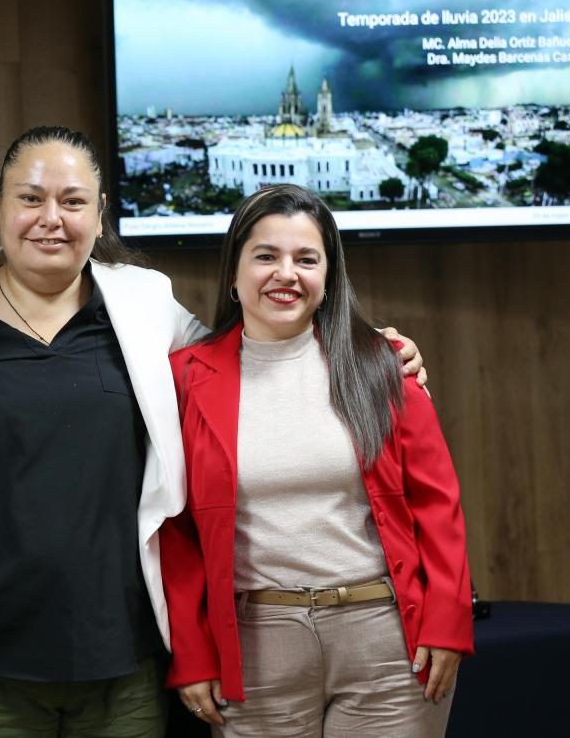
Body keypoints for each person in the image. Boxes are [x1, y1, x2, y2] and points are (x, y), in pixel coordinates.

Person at [0, 128, 425, 737]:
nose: (51, 219)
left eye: (73, 201)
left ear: (100, 214)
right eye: (30, 198)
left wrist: (370, 354)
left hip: (123, 655)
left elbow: (247, 361)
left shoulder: (147, 305)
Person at [160, 183, 473, 737]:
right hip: (256, 644)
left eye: (306, 259)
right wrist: (192, 651)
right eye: (266, 256)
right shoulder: (184, 378)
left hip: (386, 637)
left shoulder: (382, 364)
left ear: (328, 278)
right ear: (234, 273)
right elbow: (176, 531)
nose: (287, 274)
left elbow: (437, 503)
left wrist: (448, 621)